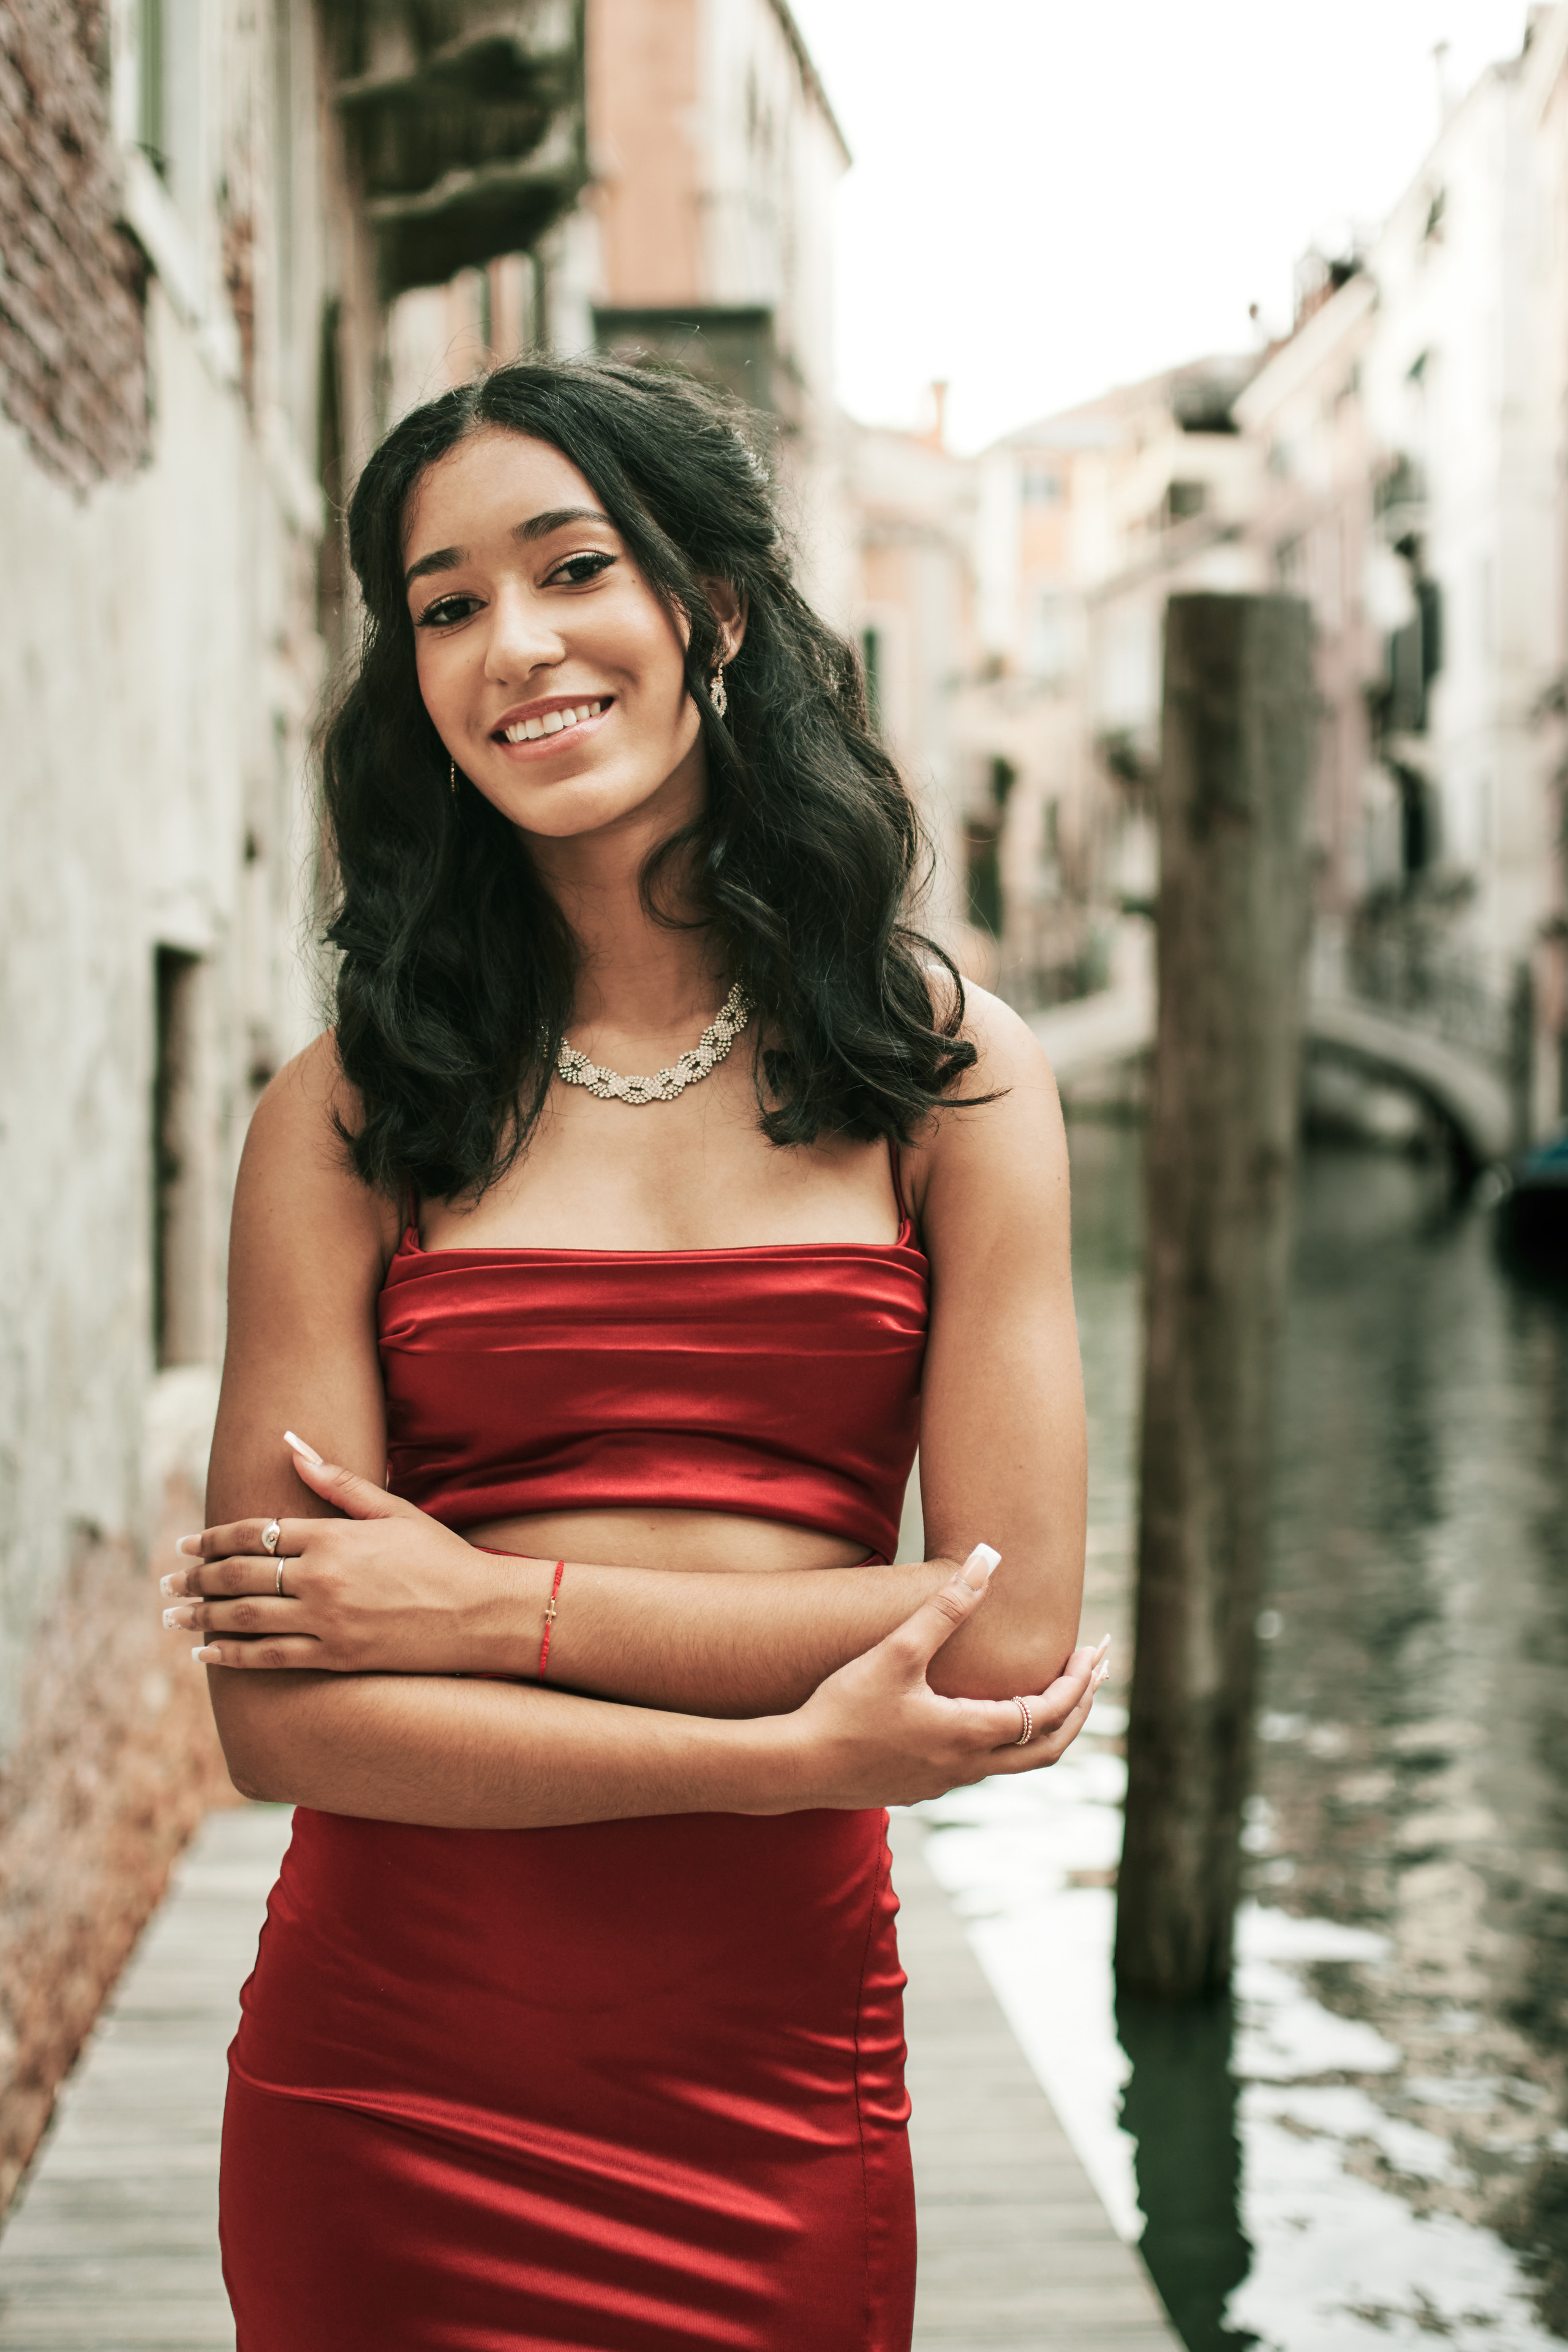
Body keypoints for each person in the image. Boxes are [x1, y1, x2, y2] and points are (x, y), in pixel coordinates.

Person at [160, 357, 1102, 2351]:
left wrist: (480, 1604)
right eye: (444, 604)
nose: (516, 645)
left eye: (571, 566)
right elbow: (288, 1727)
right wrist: (790, 1750)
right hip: (389, 2086)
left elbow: (1004, 1649)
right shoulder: (341, 1115)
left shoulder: (951, 1078)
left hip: (775, 2094)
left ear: (718, 611)